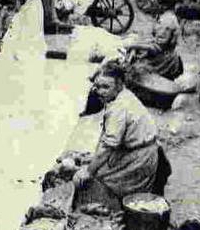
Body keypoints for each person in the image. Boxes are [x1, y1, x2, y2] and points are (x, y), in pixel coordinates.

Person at [73, 60, 170, 208]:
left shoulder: (119, 107)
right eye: (98, 87)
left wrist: (89, 171)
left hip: (139, 160)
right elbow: (108, 139)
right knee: (96, 166)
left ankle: (114, 206)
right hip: (141, 151)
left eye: (106, 87)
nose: (101, 91)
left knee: (98, 180)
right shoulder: (123, 95)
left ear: (119, 85)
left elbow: (108, 146)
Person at [127, 0, 184, 81]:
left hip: (164, 60)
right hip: (166, 54)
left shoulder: (166, 21)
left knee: (133, 72)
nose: (153, 3)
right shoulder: (167, 16)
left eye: (156, 1)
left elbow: (157, 48)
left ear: (163, 5)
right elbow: (156, 40)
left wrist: (134, 45)